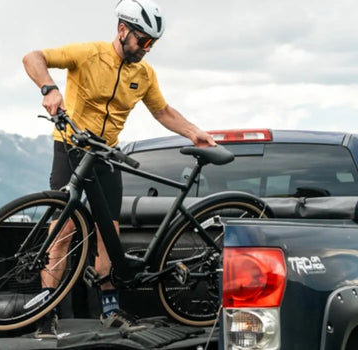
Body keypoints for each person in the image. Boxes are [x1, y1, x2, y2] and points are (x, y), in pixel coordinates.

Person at [22, 0, 216, 339]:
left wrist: (193, 131)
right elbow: (33, 57)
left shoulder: (144, 74)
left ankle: (110, 310)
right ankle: (46, 314)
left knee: (108, 236)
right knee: (63, 231)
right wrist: (49, 88)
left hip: (106, 156)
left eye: (152, 44)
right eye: (142, 40)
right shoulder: (87, 54)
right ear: (122, 30)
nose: (146, 49)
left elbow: (162, 110)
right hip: (71, 147)